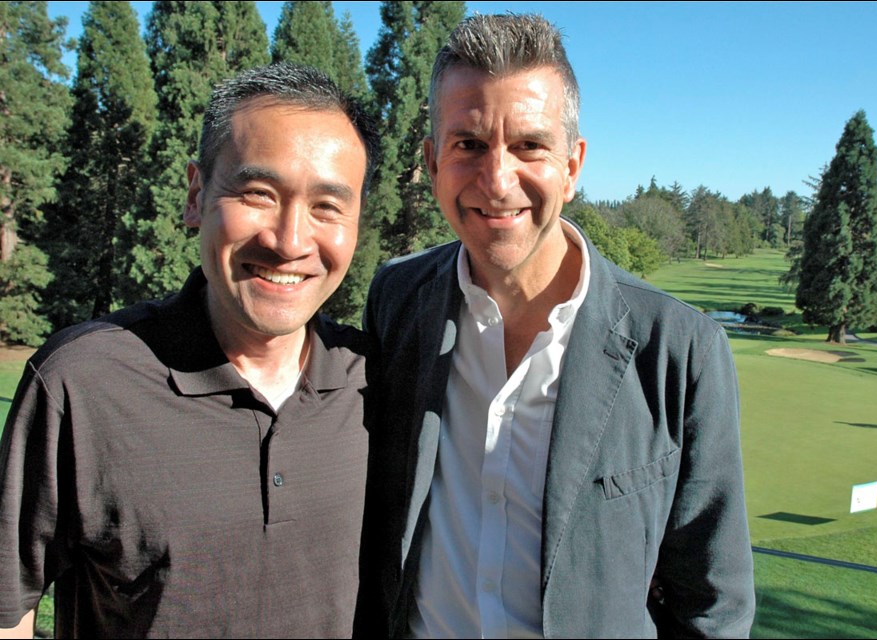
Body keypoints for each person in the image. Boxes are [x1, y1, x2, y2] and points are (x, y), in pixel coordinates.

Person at [355, 14, 755, 639]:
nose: (497, 179)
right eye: (468, 144)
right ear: (433, 162)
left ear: (573, 165)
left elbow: (714, 607)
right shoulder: (395, 302)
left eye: (529, 145)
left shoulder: (679, 349)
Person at [0, 62, 379, 638]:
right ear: (196, 196)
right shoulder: (82, 383)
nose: (290, 240)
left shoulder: (374, 382)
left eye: (327, 206)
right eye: (258, 193)